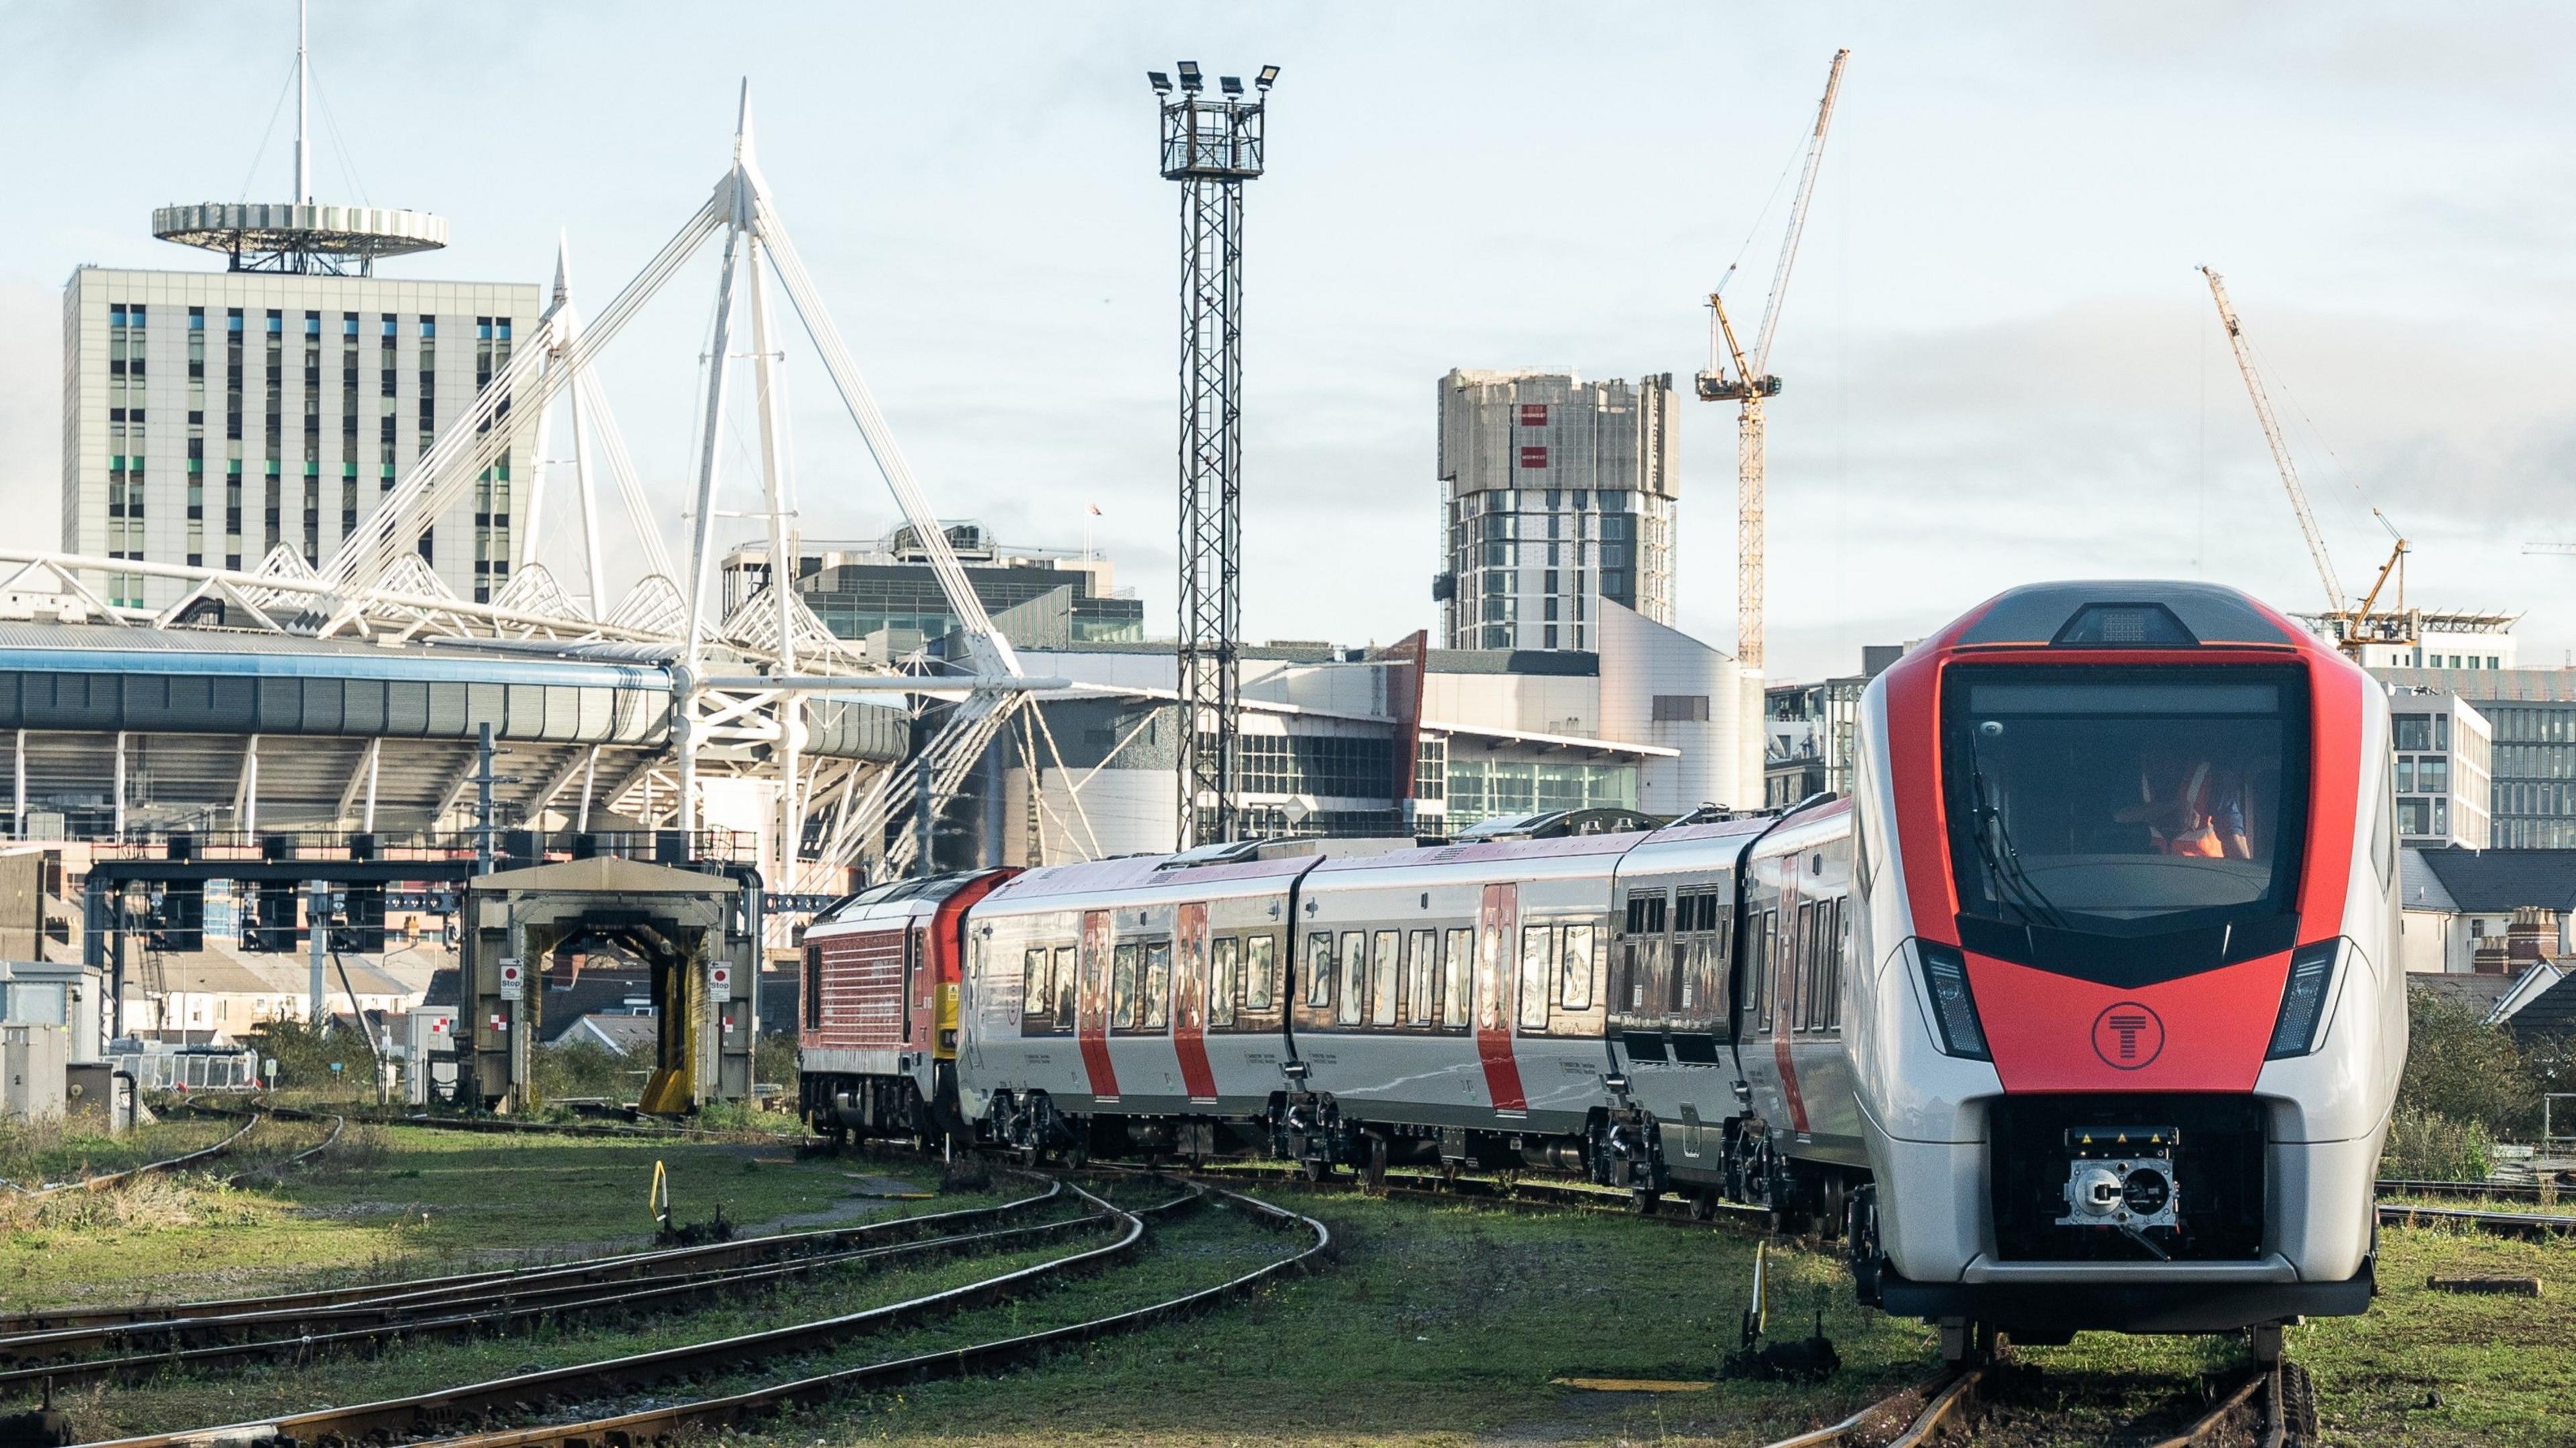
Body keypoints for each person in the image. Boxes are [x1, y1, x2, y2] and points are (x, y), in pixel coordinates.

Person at [2116, 746, 2252, 859]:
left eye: (2164, 756)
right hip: (2156, 877)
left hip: (2205, 878)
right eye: (2148, 755)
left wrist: (2246, 876)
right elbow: (2119, 816)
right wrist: (2173, 807)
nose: (2156, 764)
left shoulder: (2209, 780)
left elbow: (2233, 832)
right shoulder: (2140, 779)